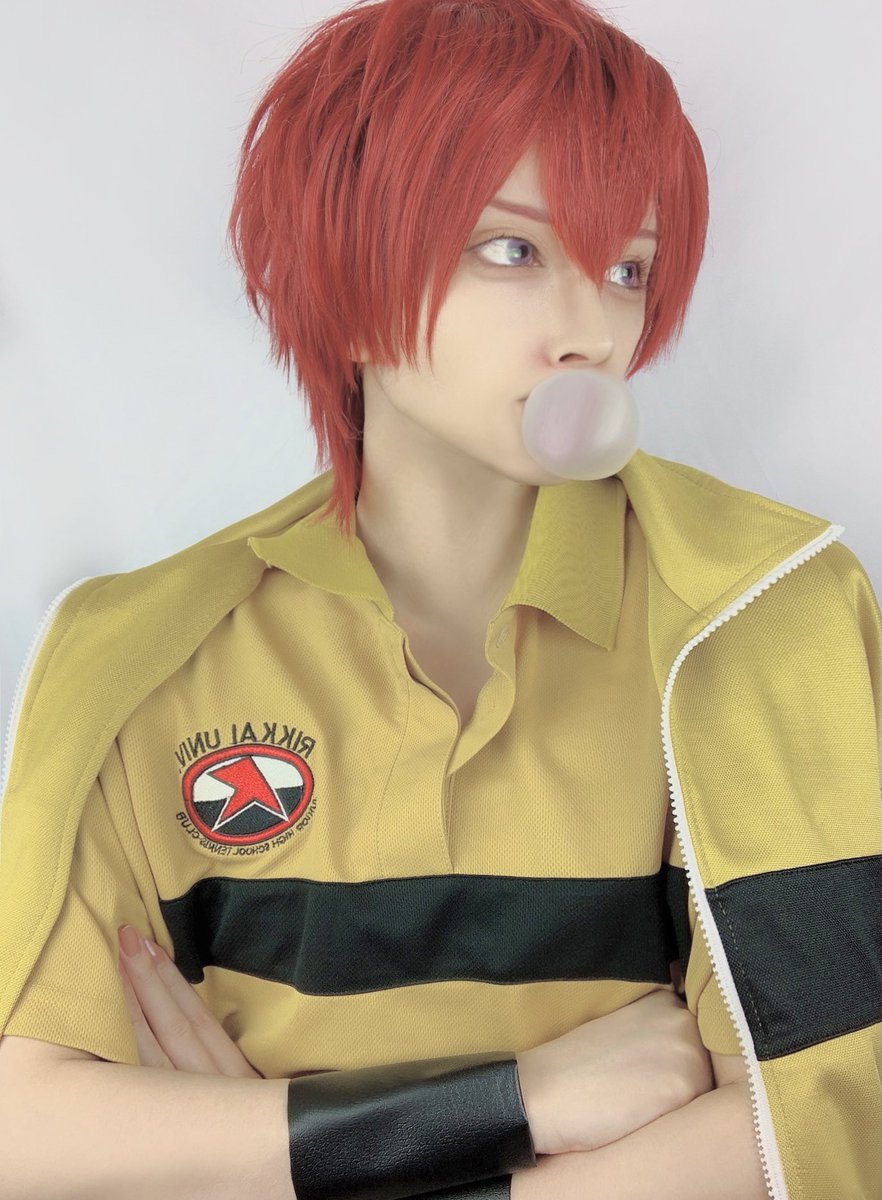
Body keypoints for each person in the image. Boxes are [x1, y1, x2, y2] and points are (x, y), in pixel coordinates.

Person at [0, 0, 879, 1197]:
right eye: (513, 251)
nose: (590, 331)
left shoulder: (763, 609)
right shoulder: (135, 650)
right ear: (348, 263)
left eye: (627, 268)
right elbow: (31, 1134)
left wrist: (262, 1151)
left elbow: (821, 1112)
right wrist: (518, 1101)